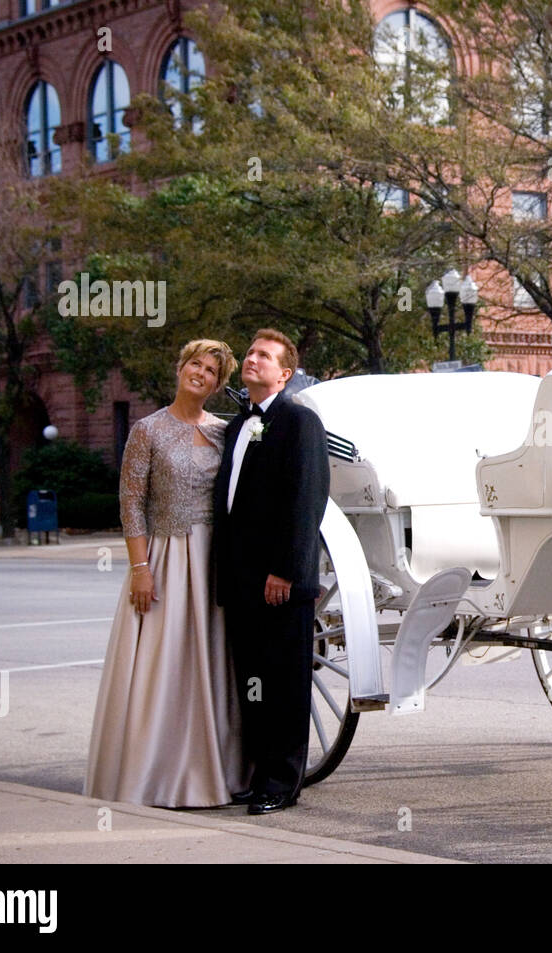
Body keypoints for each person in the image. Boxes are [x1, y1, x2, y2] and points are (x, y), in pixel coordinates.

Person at [85, 339, 247, 808]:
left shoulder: (224, 433)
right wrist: (139, 568)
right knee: (165, 663)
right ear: (180, 368)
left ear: (219, 384)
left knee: (210, 661)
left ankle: (216, 770)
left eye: (211, 370)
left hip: (213, 561)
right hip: (165, 558)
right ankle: (150, 773)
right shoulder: (147, 430)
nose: (200, 372)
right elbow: (131, 503)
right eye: (195, 363)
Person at [213, 329, 328, 815]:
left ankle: (282, 783)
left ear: (284, 373)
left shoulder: (299, 421)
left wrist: (285, 570)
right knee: (252, 684)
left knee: (282, 683)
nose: (251, 359)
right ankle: (259, 774)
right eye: (250, 353)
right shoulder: (239, 425)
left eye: (264, 355)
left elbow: (305, 501)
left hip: (279, 582)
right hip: (240, 579)